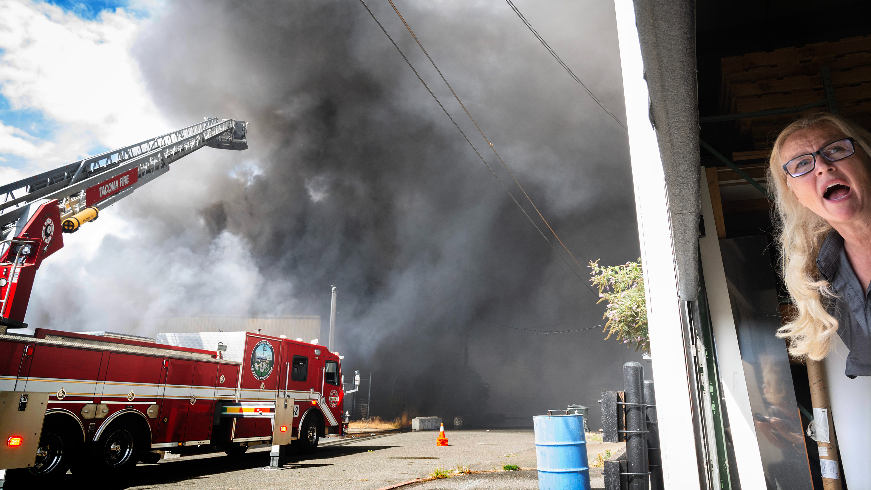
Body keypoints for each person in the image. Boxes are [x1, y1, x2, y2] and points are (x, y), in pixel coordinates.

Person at [768, 113, 871, 378]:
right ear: (796, 195)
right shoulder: (823, 279)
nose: (823, 166)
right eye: (802, 164)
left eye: (836, 149)